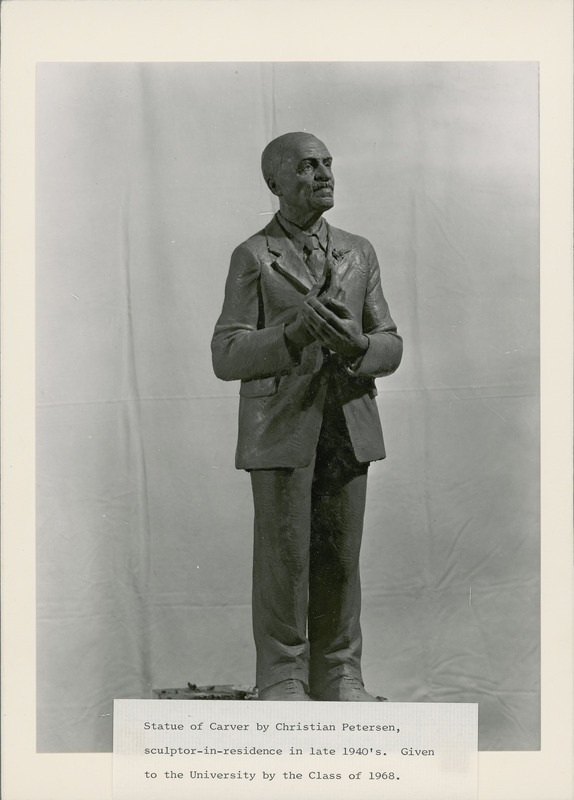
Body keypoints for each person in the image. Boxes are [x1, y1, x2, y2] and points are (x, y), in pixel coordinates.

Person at [211, 132, 402, 701]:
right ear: (275, 183)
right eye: (306, 167)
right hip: (280, 427)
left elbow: (389, 342)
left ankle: (341, 672)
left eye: (327, 164)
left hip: (349, 420)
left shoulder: (359, 251)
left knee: (342, 557)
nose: (323, 174)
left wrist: (356, 345)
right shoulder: (252, 256)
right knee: (284, 559)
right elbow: (226, 353)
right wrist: (292, 334)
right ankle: (283, 676)